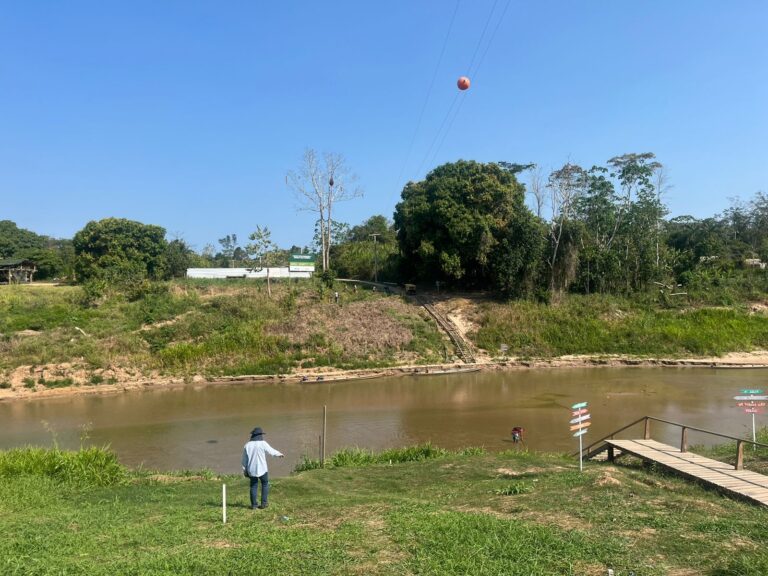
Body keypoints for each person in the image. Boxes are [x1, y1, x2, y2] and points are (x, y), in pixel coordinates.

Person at [242, 427, 284, 509]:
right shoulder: (263, 443)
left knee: (253, 486)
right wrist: (279, 454)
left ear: (253, 435)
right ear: (260, 435)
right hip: (263, 469)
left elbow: (244, 460)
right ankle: (264, 504)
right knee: (265, 484)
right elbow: (271, 451)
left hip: (251, 470)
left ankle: (254, 505)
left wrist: (244, 470)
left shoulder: (247, 445)